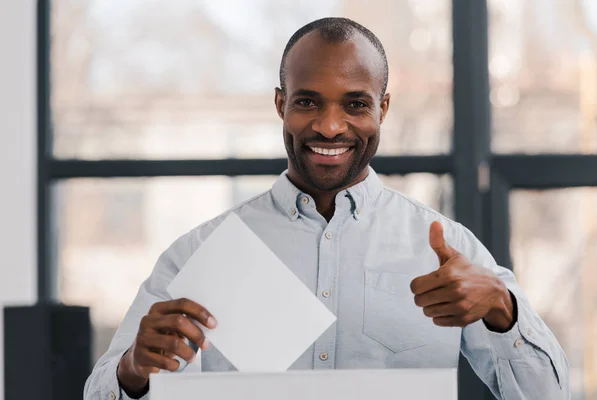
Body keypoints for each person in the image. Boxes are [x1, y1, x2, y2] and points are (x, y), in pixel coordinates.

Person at [84, 17, 569, 400]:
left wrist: (503, 311)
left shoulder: (448, 248)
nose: (330, 126)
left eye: (355, 104)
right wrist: (133, 370)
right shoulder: (198, 252)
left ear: (384, 108)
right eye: (308, 102)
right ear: (280, 105)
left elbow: (549, 394)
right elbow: (103, 389)